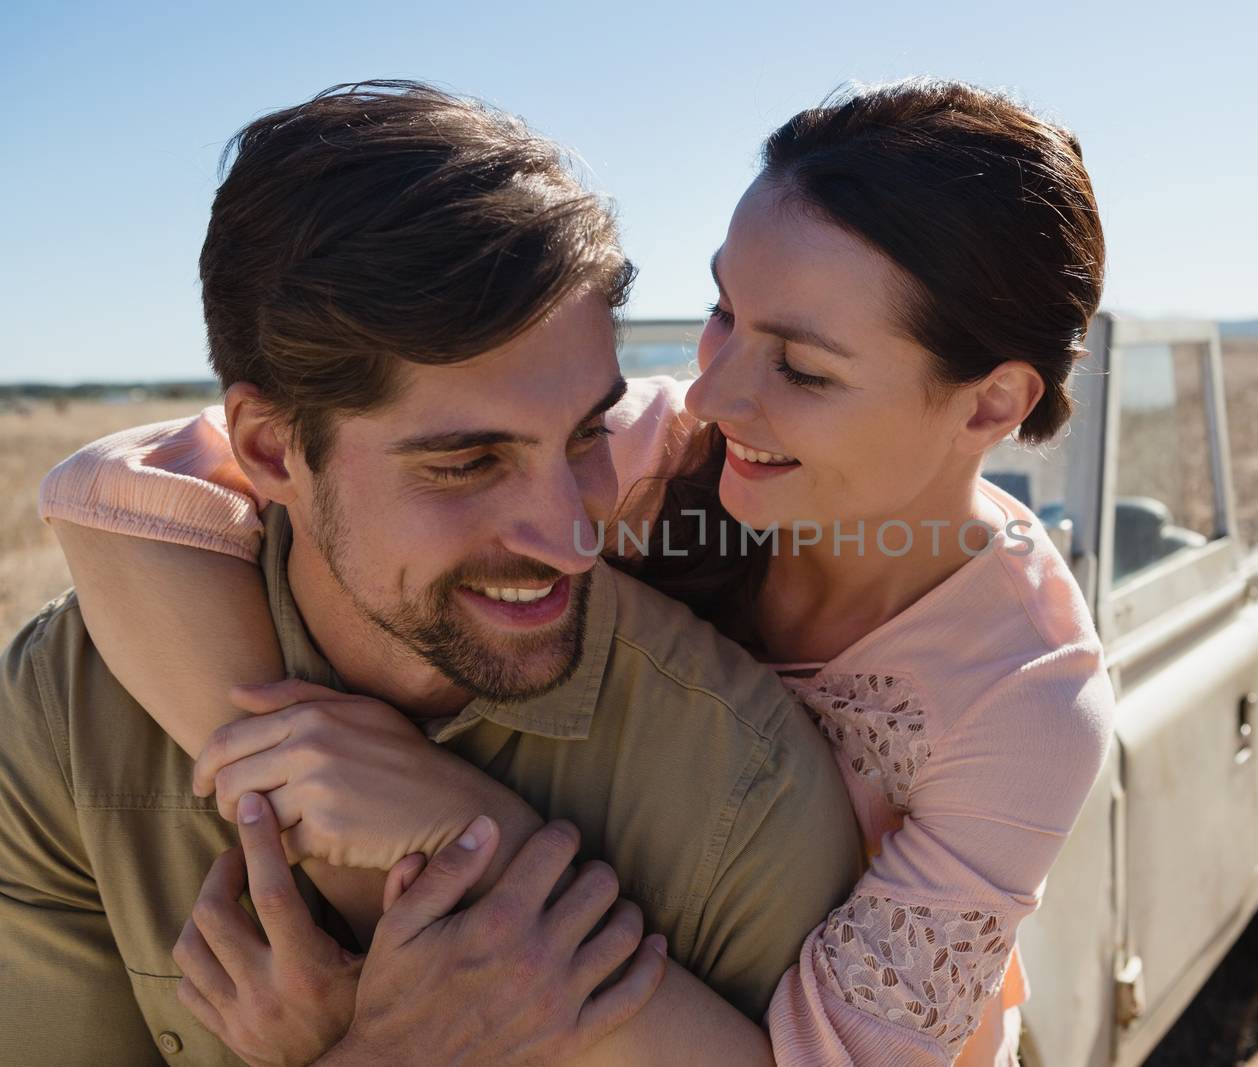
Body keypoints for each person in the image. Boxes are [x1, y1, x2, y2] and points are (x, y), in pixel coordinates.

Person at [39, 77, 1116, 1066]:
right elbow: (115, 490)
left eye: (800, 367)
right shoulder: (628, 449)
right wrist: (304, 806)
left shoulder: (1026, 701)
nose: (711, 393)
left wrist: (462, 843)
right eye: (723, 314)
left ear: (990, 403)